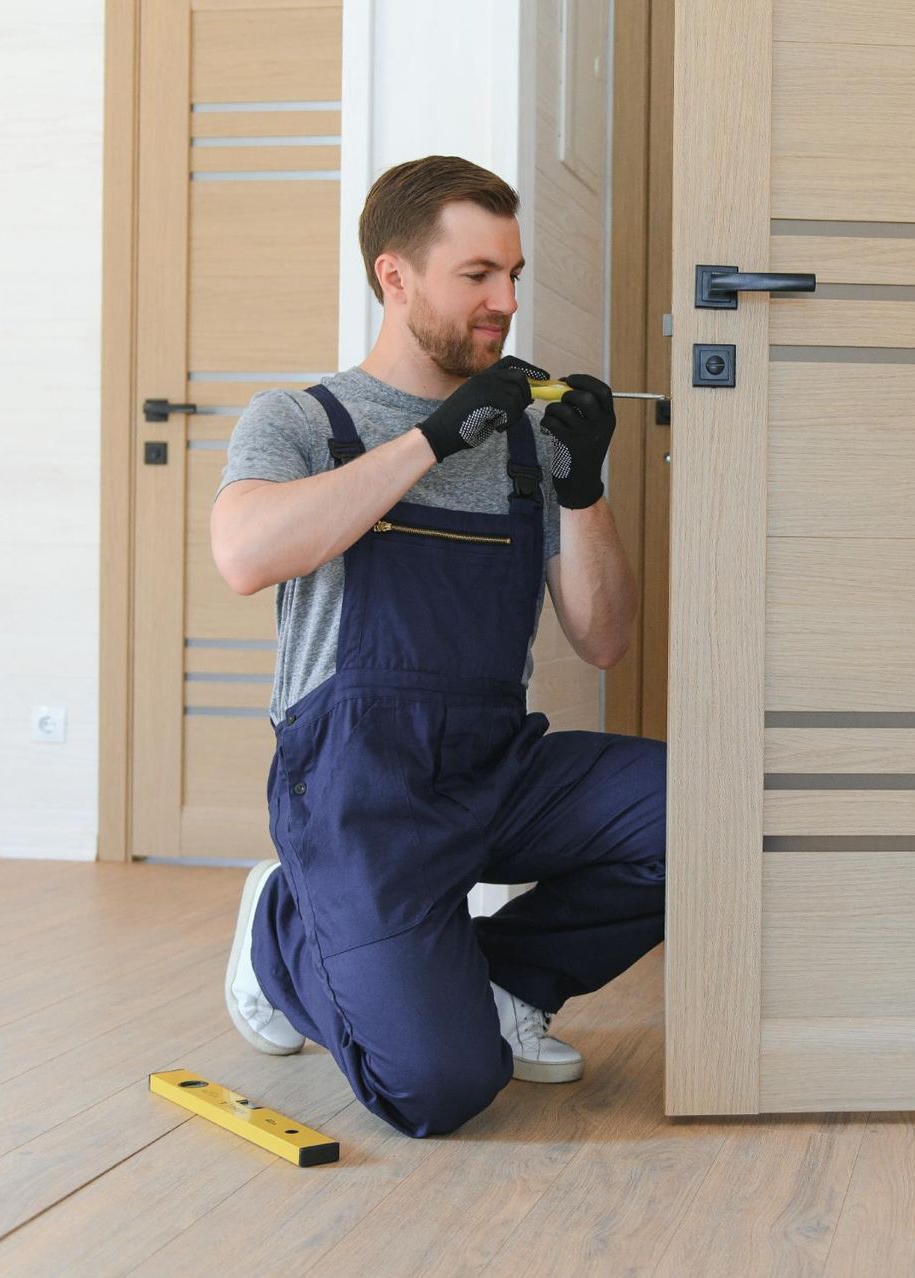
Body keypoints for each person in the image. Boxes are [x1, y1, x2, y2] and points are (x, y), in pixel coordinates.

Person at [208, 155, 666, 1139]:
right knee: (440, 1089)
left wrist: (580, 485)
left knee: (700, 816)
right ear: (395, 276)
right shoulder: (305, 422)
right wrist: (431, 443)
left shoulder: (526, 447)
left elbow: (606, 639)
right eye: (477, 277)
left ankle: (506, 981)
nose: (505, 302)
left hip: (495, 766)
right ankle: (282, 931)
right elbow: (245, 555)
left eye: (514, 274)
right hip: (360, 794)